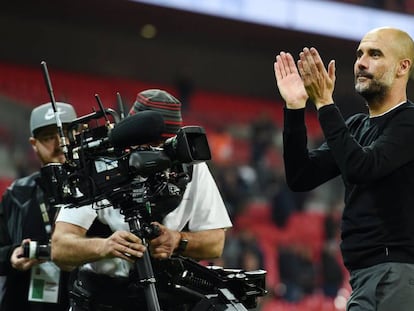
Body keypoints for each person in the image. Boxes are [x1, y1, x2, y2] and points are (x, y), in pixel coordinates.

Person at [51, 89, 233, 310]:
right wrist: (104, 247)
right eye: (152, 144)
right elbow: (60, 248)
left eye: (166, 145)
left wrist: (177, 240)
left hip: (166, 296)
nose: (159, 153)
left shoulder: (189, 165)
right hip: (103, 297)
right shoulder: (100, 165)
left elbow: (215, 242)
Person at [273, 26, 414, 311]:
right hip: (363, 277)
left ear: (402, 67)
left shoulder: (409, 122)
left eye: (374, 54)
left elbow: (362, 168)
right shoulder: (356, 127)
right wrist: (295, 107)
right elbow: (301, 176)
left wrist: (325, 102)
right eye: (359, 54)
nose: (361, 62)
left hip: (397, 273)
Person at [0, 102, 77, 311]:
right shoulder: (17, 194)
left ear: (79, 133)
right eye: (48, 137)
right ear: (34, 144)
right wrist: (11, 256)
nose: (60, 144)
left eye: (65, 133)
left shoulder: (101, 191)